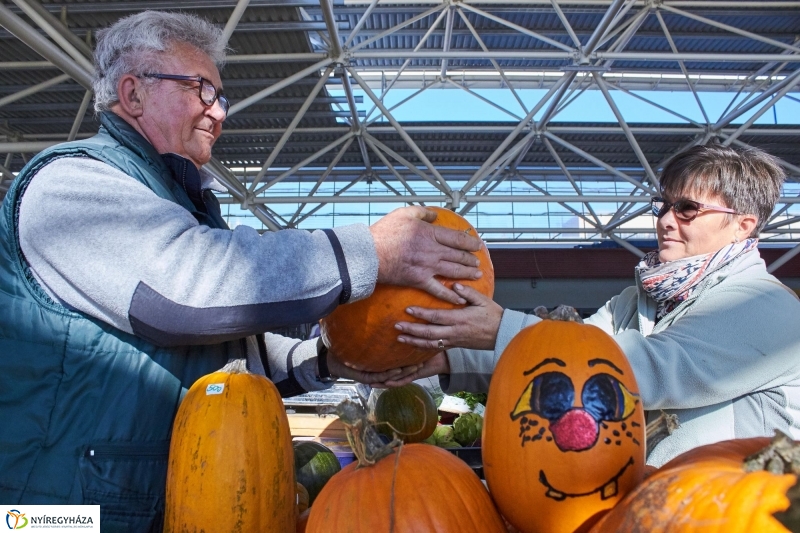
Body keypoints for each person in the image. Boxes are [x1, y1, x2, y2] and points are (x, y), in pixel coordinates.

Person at [0, 11, 484, 529]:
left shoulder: (177, 204)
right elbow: (185, 292)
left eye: (220, 97)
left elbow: (221, 359)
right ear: (133, 93)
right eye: (200, 90)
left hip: (146, 502)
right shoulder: (71, 184)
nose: (218, 113)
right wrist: (370, 251)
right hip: (65, 510)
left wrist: (328, 361)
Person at [391, 143, 800, 467]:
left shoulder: (767, 308)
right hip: (646, 504)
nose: (665, 219)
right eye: (663, 205)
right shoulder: (633, 301)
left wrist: (501, 329)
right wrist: (450, 359)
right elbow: (567, 362)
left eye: (687, 208)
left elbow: (649, 370)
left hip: (731, 512)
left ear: (743, 225)